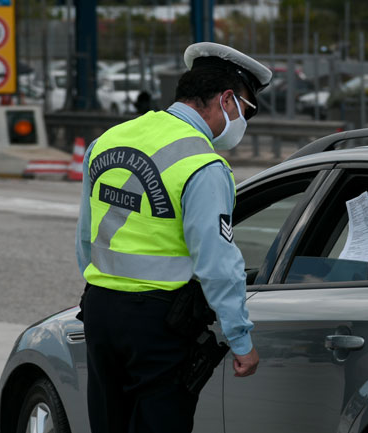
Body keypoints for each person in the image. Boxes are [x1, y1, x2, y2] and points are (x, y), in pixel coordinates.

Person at [75, 42, 272, 433]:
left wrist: (100, 291)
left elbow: (86, 236)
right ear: (226, 100)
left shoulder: (109, 139)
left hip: (99, 310)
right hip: (158, 324)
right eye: (247, 110)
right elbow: (217, 263)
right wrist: (240, 339)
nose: (244, 122)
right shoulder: (202, 164)